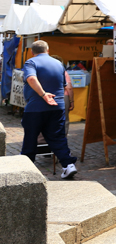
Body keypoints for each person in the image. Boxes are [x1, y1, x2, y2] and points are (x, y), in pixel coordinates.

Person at [21, 40, 78, 179]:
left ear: (31, 52)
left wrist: (43, 94)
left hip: (35, 107)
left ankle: (26, 169)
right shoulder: (58, 63)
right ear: (48, 50)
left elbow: (31, 79)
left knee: (31, 137)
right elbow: (65, 85)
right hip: (57, 107)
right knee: (57, 137)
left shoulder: (31, 62)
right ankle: (68, 165)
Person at [50, 55, 73, 136]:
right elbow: (69, 88)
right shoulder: (64, 72)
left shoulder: (46, 72)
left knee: (51, 118)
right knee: (64, 118)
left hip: (50, 97)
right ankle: (63, 135)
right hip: (63, 96)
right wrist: (72, 101)